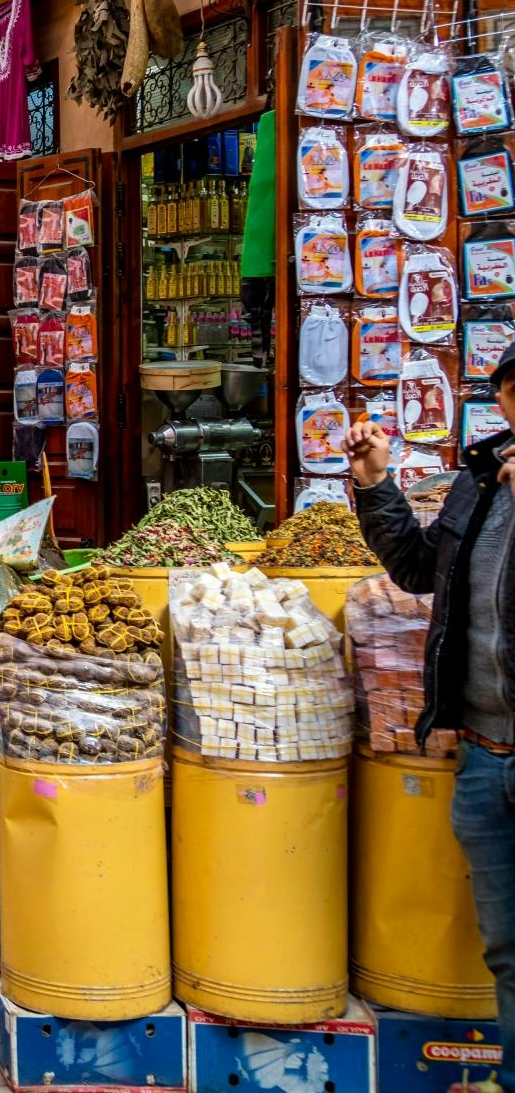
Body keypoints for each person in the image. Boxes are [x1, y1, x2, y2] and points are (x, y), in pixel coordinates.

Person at [349, 342, 515, 1069]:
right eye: (512, 398)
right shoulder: (481, 482)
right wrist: (376, 484)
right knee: (507, 945)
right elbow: (419, 569)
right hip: (483, 752)